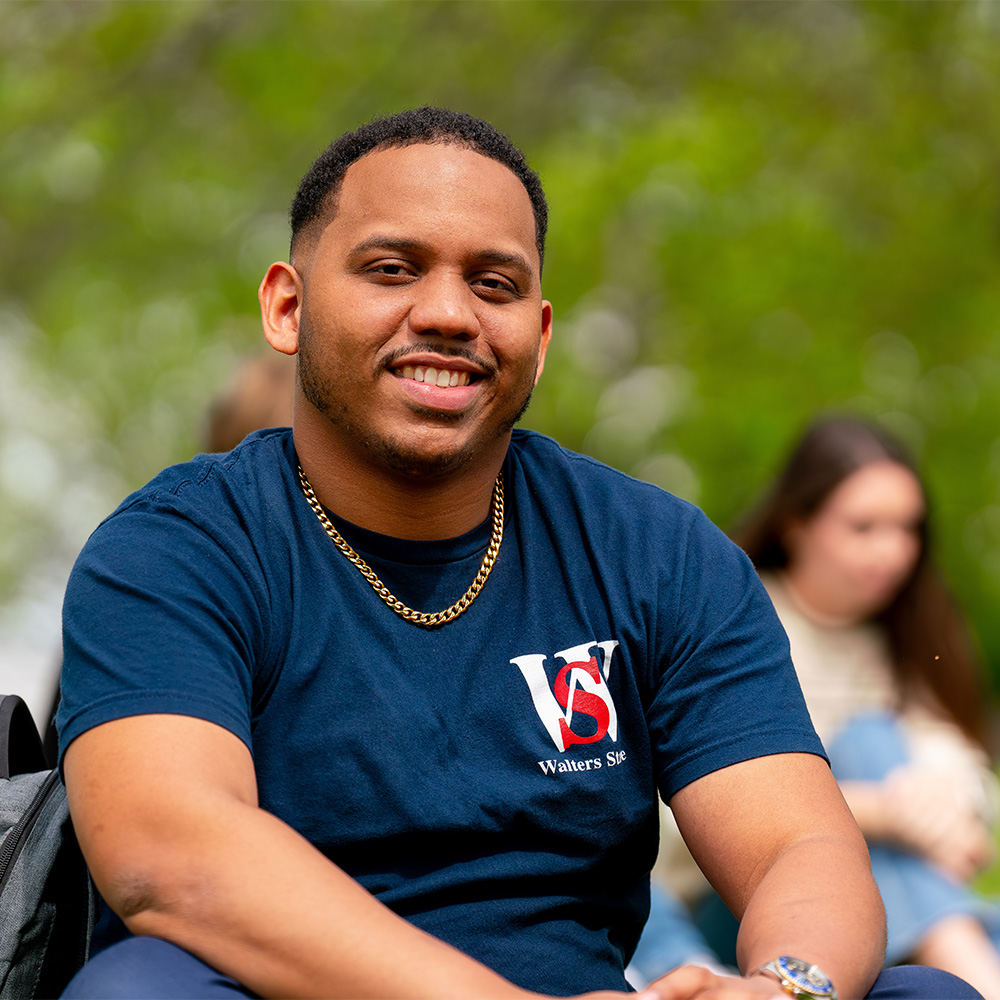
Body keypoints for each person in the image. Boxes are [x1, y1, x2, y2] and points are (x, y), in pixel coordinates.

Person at [55, 109, 970, 1000]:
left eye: (495, 284)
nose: (448, 313)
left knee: (928, 993)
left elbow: (800, 846)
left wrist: (788, 988)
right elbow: (170, 856)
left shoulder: (656, 553)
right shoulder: (175, 550)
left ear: (539, 336)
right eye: (391, 268)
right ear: (288, 307)